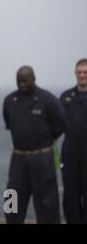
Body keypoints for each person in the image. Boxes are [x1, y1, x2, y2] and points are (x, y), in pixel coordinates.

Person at [3, 66, 67, 224]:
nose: (22, 84)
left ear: (33, 79)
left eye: (25, 81)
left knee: (48, 207)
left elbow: (61, 124)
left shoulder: (48, 99)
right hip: (18, 159)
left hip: (42, 159)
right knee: (12, 202)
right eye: (19, 81)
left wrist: (44, 142)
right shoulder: (9, 101)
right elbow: (9, 124)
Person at [60, 58, 87, 223]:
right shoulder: (65, 97)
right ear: (75, 74)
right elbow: (54, 125)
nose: (82, 75)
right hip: (70, 155)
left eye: (85, 73)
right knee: (70, 198)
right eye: (79, 72)